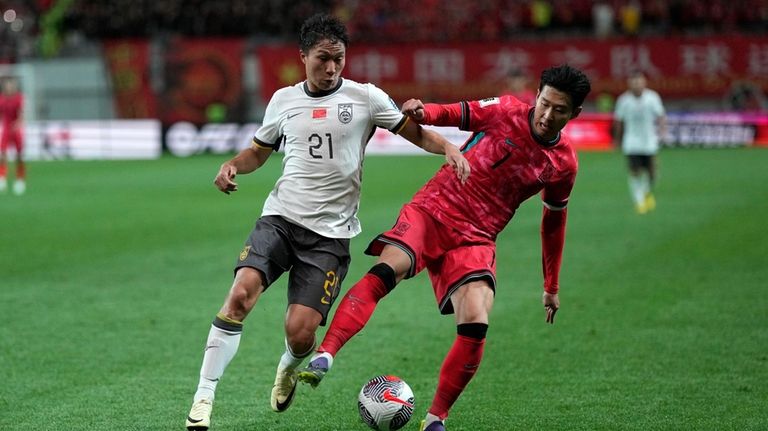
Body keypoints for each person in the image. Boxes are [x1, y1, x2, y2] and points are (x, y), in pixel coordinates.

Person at [184, 13, 470, 431]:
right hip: (280, 218)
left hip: (330, 237)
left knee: (300, 334)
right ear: (303, 57)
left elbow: (414, 132)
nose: (331, 67)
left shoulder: (366, 97)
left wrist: (446, 146)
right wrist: (232, 166)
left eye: (338, 58)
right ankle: (202, 401)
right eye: (322, 58)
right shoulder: (283, 100)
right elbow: (259, 153)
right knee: (240, 295)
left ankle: (287, 367)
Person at [299, 64, 592, 431]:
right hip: (434, 209)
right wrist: (425, 111)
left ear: (575, 113)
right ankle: (325, 355)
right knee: (390, 269)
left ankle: (435, 419)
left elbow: (554, 222)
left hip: (477, 237)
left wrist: (551, 285)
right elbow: (455, 113)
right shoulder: (504, 110)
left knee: (476, 319)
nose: (547, 115)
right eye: (544, 103)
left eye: (559, 110)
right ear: (537, 95)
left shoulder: (563, 164)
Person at [613, 70, 666, 214]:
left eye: (639, 81)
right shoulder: (624, 100)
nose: (636, 84)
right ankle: (639, 201)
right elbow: (619, 121)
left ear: (644, 82)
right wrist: (617, 139)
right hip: (632, 143)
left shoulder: (652, 97)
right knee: (635, 172)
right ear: (629, 83)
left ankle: (646, 192)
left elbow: (661, 115)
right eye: (633, 81)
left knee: (652, 173)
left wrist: (662, 130)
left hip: (649, 142)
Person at [0, 76, 25, 195]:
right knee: (3, 153)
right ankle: (2, 178)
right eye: (7, 85)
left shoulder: (19, 98)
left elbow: (21, 114)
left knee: (19, 155)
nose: (9, 87)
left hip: (15, 130)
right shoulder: (1, 99)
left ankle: (20, 179)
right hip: (5, 129)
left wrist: (18, 123)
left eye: (11, 85)